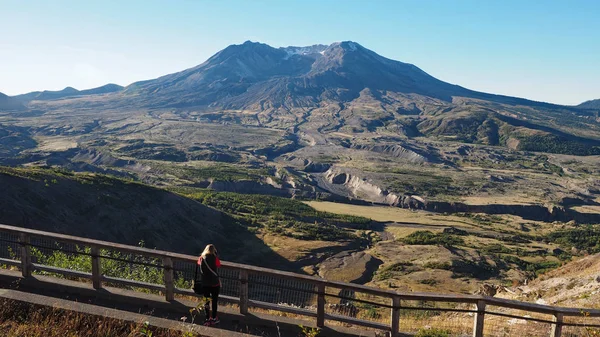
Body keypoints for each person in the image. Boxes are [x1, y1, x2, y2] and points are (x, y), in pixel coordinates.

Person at [197, 244, 221, 326]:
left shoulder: (201, 258)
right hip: (215, 283)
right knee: (214, 301)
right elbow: (218, 265)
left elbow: (199, 265)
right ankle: (214, 318)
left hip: (205, 283)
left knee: (206, 301)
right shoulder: (215, 258)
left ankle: (207, 318)